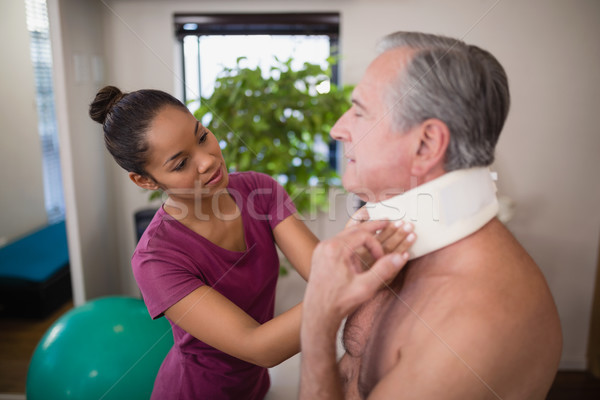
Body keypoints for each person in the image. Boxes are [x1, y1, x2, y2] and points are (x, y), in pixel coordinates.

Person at [89, 86, 413, 399]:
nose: (207, 160)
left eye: (202, 136)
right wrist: (351, 277)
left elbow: (320, 272)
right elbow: (258, 347)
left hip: (255, 389)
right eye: (181, 163)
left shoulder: (261, 191)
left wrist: (356, 253)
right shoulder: (156, 259)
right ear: (145, 180)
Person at [300, 31, 563, 399]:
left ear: (425, 145)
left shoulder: (473, 324)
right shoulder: (392, 243)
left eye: (359, 112)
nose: (338, 129)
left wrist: (317, 325)